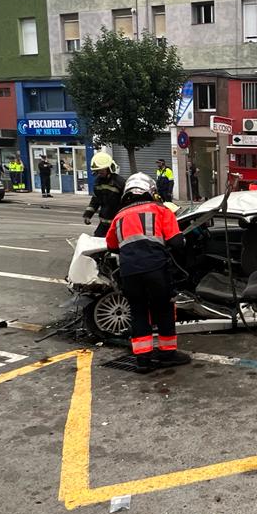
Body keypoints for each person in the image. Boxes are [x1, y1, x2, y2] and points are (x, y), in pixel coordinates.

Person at [105, 173, 190, 373]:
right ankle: (167, 354)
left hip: (129, 273)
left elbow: (111, 245)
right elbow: (177, 242)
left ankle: (143, 360)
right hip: (156, 270)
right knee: (164, 310)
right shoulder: (160, 210)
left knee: (138, 311)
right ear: (151, 191)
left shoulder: (119, 217)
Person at [83, 152, 126, 237]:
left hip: (118, 224)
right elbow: (95, 200)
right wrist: (88, 215)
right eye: (98, 170)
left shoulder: (120, 182)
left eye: (102, 169)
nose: (100, 172)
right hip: (103, 224)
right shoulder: (98, 182)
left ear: (109, 168)